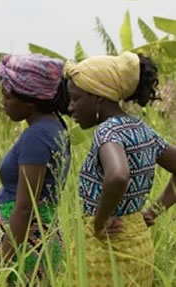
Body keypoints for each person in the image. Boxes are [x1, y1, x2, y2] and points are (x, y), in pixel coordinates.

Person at [64, 52, 176, 286]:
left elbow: (118, 175)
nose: (70, 108)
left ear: (99, 98)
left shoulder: (107, 132)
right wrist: (154, 211)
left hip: (106, 250)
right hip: (138, 244)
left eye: (76, 99)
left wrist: (99, 221)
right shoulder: (142, 129)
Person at [0, 54, 71, 283]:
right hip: (34, 236)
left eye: (7, 96)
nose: (3, 102)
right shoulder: (54, 125)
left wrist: (3, 262)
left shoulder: (36, 136)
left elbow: (26, 206)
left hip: (25, 241)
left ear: (30, 100)